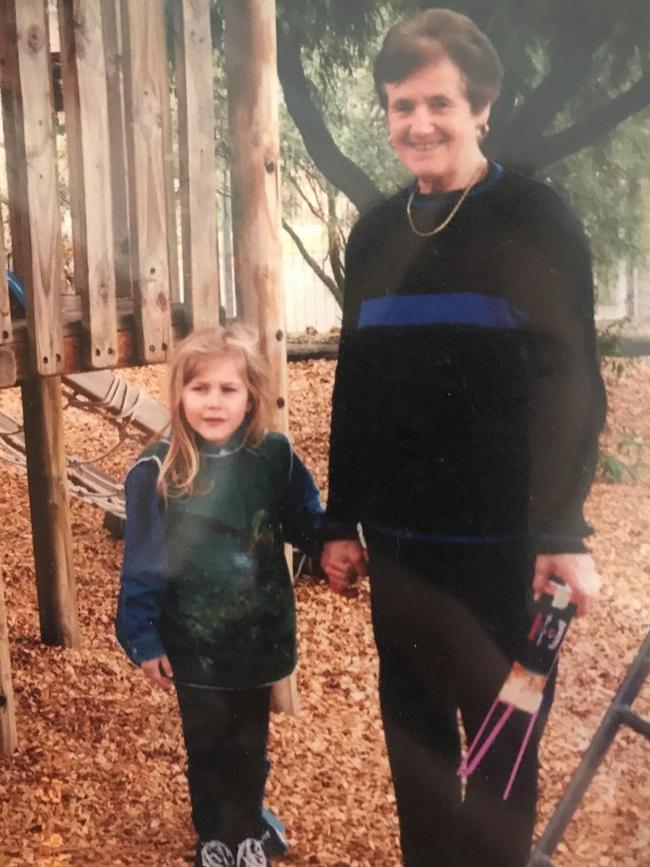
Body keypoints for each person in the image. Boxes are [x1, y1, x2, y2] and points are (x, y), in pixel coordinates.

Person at [321, 9, 606, 867]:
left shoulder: (533, 218)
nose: (419, 123)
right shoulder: (374, 234)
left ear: (482, 106)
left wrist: (561, 530)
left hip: (505, 557)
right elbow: (358, 383)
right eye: (401, 105)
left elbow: (569, 380)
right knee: (416, 755)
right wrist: (341, 518)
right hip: (402, 553)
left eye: (439, 102)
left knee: (501, 767)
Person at [116, 326, 323, 867]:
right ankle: (215, 838)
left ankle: (248, 831)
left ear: (251, 394)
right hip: (193, 641)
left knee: (249, 747)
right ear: (179, 393)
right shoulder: (157, 471)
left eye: (228, 390)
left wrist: (341, 545)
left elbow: (309, 523)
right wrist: (141, 636)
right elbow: (141, 563)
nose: (213, 402)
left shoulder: (274, 456)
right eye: (199, 388)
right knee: (208, 746)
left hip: (256, 636)